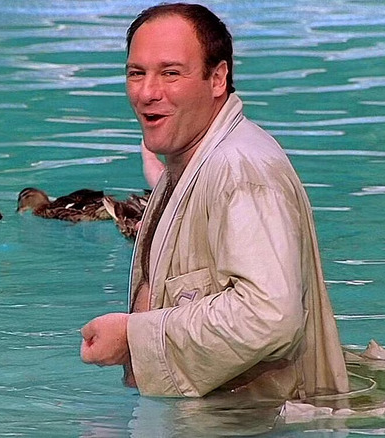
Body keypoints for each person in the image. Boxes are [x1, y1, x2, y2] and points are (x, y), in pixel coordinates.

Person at [80, 2, 350, 401]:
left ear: (217, 78)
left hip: (265, 425)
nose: (147, 92)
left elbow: (269, 316)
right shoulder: (193, 161)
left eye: (171, 73)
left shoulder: (240, 171)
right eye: (136, 73)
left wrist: (133, 338)